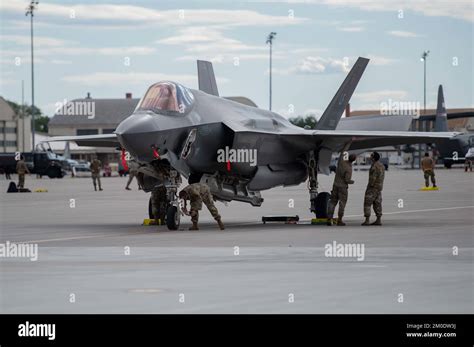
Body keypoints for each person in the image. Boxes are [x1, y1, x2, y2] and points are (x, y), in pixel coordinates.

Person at [327, 148, 356, 226]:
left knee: (332, 202)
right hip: (343, 187)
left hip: (335, 185)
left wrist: (349, 143)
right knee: (342, 204)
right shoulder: (349, 168)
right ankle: (339, 220)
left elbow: (343, 152)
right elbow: (347, 180)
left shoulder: (341, 162)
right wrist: (351, 182)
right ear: (353, 161)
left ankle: (329, 219)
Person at [361, 151, 385, 226]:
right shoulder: (381, 165)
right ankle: (378, 220)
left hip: (373, 188)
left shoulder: (374, 166)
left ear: (373, 158)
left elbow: (373, 178)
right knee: (377, 203)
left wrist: (370, 186)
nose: (370, 157)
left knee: (367, 203)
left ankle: (367, 220)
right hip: (379, 187)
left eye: (371, 156)